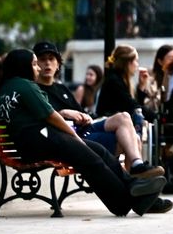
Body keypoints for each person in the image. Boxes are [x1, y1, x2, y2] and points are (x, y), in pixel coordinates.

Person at [0, 49, 171, 216]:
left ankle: (133, 187)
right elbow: (51, 116)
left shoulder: (7, 87)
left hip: (34, 142)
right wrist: (74, 136)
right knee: (91, 160)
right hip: (40, 139)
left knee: (99, 150)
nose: (37, 68)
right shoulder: (24, 85)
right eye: (34, 64)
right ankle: (124, 202)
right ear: (22, 66)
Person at [32, 41, 150, 173]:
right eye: (42, 59)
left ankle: (136, 166)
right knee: (132, 140)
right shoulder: (33, 90)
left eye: (51, 59)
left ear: (58, 64)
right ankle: (133, 183)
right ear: (35, 65)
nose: (47, 63)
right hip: (72, 139)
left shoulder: (61, 88)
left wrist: (85, 116)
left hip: (85, 129)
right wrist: (63, 113)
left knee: (124, 117)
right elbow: (41, 119)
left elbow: (82, 113)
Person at [95, 44, 152, 137]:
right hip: (107, 129)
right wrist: (156, 117)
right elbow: (132, 106)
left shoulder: (119, 79)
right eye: (136, 61)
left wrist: (141, 87)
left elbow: (134, 106)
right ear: (128, 63)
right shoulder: (114, 81)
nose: (137, 65)